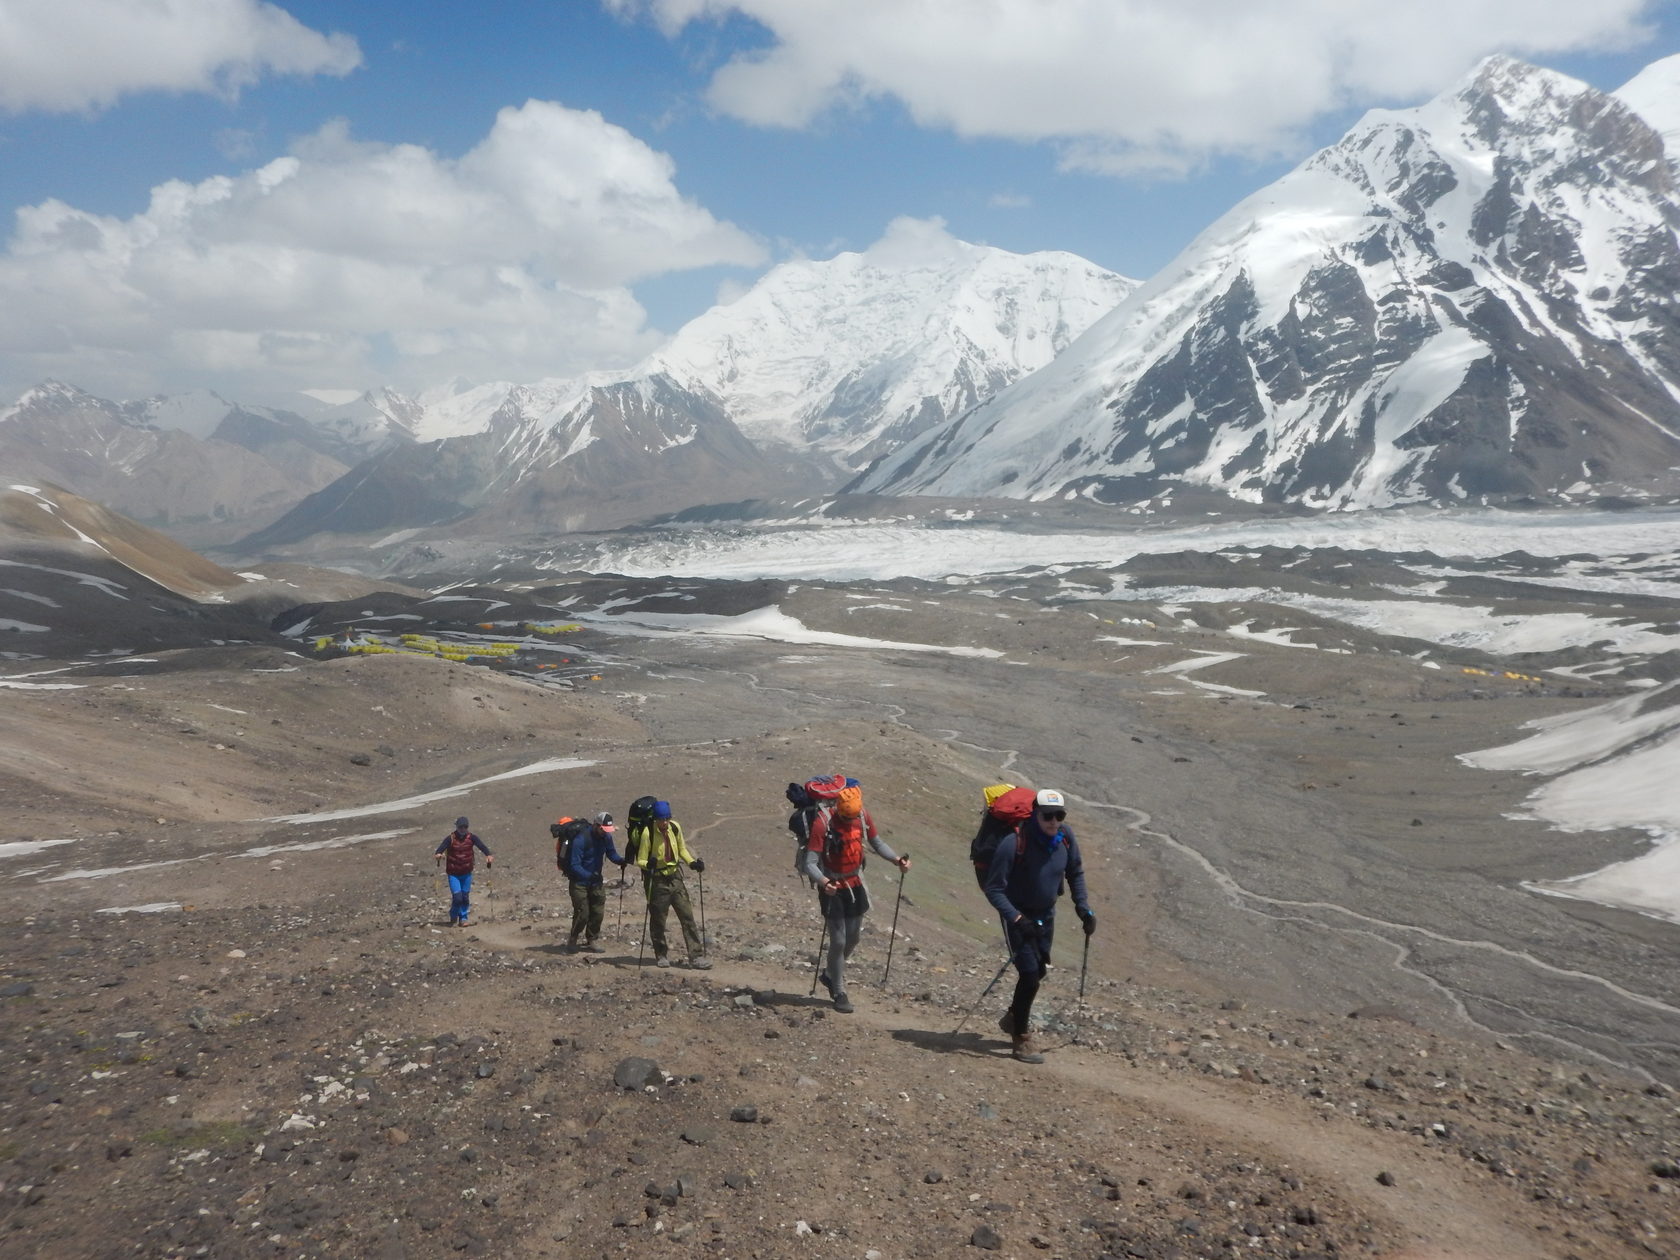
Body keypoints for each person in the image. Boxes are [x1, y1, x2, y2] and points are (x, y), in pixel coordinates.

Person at [983, 789, 1095, 1063]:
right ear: (1035, 813)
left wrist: (1083, 908)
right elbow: (994, 889)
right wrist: (1018, 920)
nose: (1054, 821)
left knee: (1040, 970)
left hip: (1047, 915)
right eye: (1048, 815)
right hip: (1019, 917)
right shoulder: (1014, 843)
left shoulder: (1065, 839)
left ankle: (1013, 1017)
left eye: (1059, 815)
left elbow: (1075, 872)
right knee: (1030, 975)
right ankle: (1020, 1038)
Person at [799, 783, 909, 1014]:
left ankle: (830, 974)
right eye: (847, 818)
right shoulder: (823, 823)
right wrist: (824, 883)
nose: (850, 822)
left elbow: (876, 842)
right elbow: (810, 863)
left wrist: (896, 860)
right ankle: (838, 991)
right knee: (838, 941)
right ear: (839, 809)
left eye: (853, 817)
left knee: (854, 938)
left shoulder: (862, 815)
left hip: (854, 881)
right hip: (832, 884)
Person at [626, 800, 711, 969]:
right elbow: (641, 859)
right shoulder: (647, 833)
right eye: (661, 819)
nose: (664, 822)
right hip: (657, 881)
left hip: (675, 878)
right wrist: (647, 864)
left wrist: (692, 863)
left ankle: (696, 957)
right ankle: (661, 954)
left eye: (666, 818)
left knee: (687, 917)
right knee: (658, 920)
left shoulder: (675, 828)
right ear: (655, 819)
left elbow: (681, 849)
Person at [562, 812, 627, 952]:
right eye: (603, 829)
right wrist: (588, 875)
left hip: (596, 880)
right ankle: (573, 938)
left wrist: (620, 860)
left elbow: (611, 853)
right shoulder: (581, 839)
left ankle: (592, 939)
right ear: (596, 825)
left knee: (598, 912)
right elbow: (574, 865)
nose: (606, 833)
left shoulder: (606, 837)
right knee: (582, 913)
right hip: (579, 883)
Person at [434, 816, 493, 927]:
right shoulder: (450, 838)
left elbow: (482, 846)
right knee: (458, 897)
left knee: (465, 897)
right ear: (457, 827)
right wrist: (438, 854)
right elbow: (440, 848)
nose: (463, 829)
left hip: (466, 873)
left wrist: (488, 855)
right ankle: (453, 914)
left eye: (465, 827)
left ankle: (463, 918)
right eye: (461, 827)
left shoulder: (472, 838)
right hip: (453, 874)